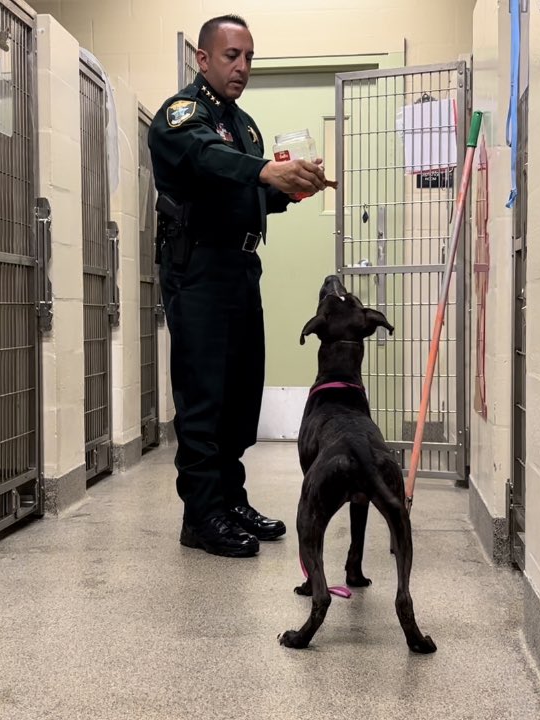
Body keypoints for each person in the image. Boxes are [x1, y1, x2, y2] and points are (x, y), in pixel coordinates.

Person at [148, 14, 329, 558]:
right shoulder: (183, 115)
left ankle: (229, 499)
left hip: (240, 268)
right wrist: (263, 173)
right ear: (203, 58)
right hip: (198, 270)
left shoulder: (245, 125)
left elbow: (252, 190)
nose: (242, 67)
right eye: (231, 56)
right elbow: (207, 159)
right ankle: (201, 517)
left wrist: (294, 185)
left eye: (249, 57)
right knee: (203, 396)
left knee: (238, 391)